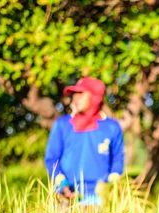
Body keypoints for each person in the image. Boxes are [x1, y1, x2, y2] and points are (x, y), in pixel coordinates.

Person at [44, 77, 124, 206]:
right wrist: (62, 184)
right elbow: (52, 158)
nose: (76, 98)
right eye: (74, 94)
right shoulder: (63, 124)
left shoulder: (111, 127)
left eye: (81, 93)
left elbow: (117, 159)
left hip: (99, 199)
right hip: (66, 195)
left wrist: (109, 186)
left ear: (95, 97)